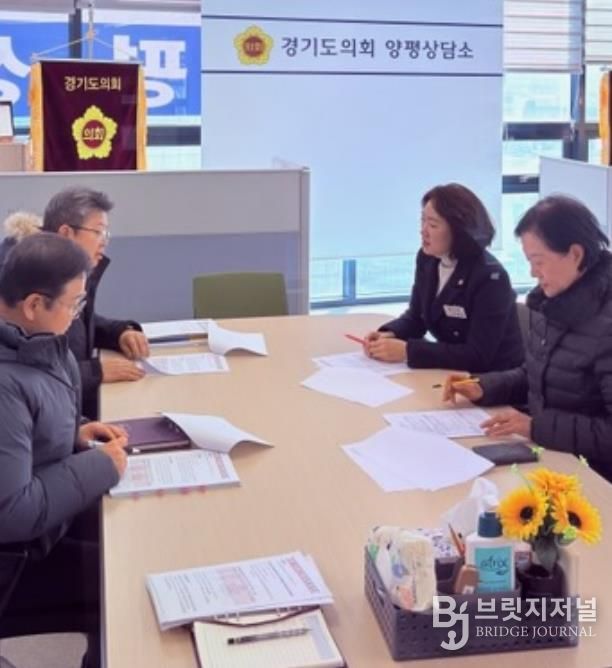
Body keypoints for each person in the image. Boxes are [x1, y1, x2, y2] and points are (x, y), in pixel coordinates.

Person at [0, 233, 128, 668]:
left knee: (126, 537)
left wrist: (74, 432)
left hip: (46, 525)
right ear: (34, 304)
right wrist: (100, 467)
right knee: (117, 584)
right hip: (14, 557)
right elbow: (12, 511)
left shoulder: (40, 341)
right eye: (74, 304)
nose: (78, 316)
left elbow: (26, 429)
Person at [444, 195, 612, 482]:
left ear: (575, 254)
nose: (533, 272)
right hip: (551, 457)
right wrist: (483, 386)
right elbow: (538, 375)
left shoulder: (605, 323)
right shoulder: (552, 302)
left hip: (593, 476)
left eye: (538, 261)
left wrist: (535, 427)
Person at [364, 183, 524, 372]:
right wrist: (389, 334)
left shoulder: (490, 278)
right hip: (451, 373)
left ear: (459, 230)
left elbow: (477, 355)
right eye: (422, 221)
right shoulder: (427, 259)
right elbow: (417, 317)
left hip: (491, 379)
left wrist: (408, 351)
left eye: (432, 225)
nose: (423, 230)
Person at [41, 186, 150, 419]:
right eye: (98, 232)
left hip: (72, 413)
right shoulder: (31, 283)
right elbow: (30, 374)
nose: (104, 242)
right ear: (66, 233)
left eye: (106, 234)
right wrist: (94, 372)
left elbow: (79, 324)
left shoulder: (68, 270)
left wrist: (119, 333)